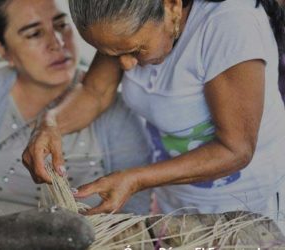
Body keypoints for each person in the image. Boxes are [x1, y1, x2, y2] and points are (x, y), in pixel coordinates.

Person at [23, 0, 285, 221]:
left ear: (172, 6)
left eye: (135, 50)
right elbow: (94, 92)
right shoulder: (122, 23)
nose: (126, 64)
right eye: (112, 54)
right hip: (176, 203)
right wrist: (50, 124)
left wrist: (136, 179)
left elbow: (236, 149)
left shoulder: (229, 24)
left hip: (249, 207)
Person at [0, 0, 152, 219]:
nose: (57, 43)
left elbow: (136, 202)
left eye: (62, 26)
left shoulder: (112, 102)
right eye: (34, 33)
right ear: (3, 49)